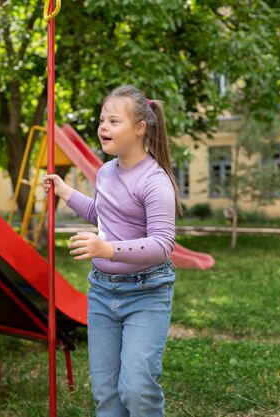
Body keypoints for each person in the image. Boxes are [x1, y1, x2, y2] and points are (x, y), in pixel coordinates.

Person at [43, 85, 183, 417]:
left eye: (113, 121)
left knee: (136, 389)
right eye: (102, 119)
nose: (103, 127)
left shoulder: (154, 181)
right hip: (103, 293)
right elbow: (103, 214)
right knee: (106, 394)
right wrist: (66, 193)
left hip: (147, 293)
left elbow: (163, 246)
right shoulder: (105, 172)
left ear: (139, 128)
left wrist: (106, 248)